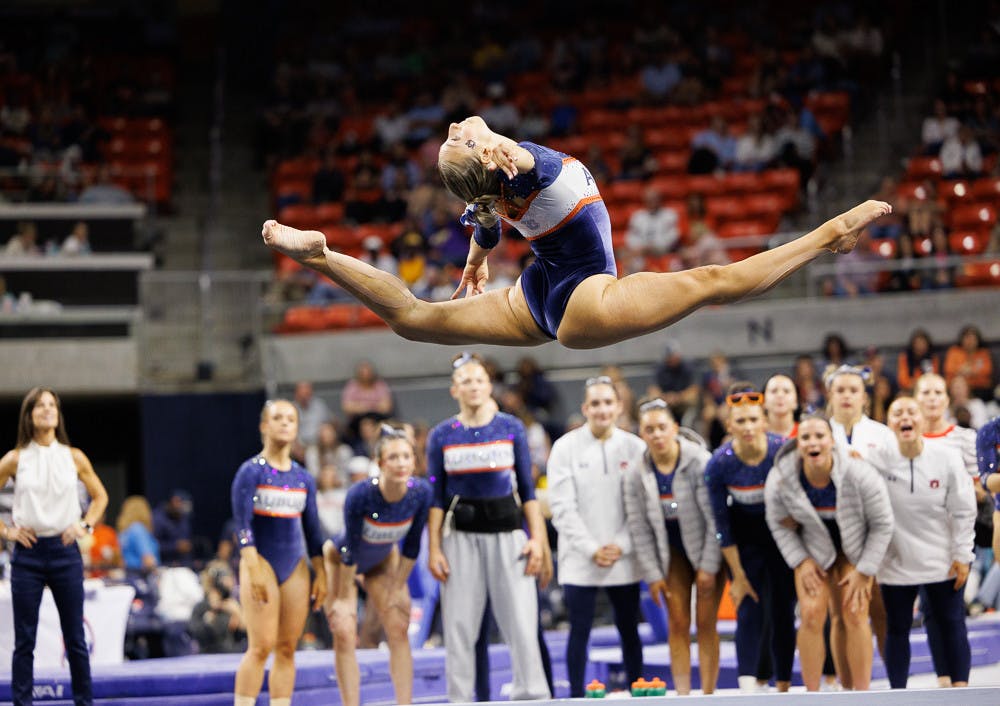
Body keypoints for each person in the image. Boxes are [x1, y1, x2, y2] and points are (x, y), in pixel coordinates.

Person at [262, 115, 891, 350]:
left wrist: (479, 259)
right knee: (713, 281)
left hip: (534, 293)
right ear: (490, 160)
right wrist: (496, 153)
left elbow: (484, 192)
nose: (462, 128)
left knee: (411, 318)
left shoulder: (497, 182)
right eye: (464, 139)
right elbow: (493, 145)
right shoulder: (523, 164)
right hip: (584, 296)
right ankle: (829, 232)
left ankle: (322, 256)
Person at [426, 352, 550, 702]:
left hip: (509, 537)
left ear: (489, 384)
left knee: (522, 625)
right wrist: (434, 548)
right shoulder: (441, 435)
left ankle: (533, 694)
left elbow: (528, 491)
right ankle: (461, 698)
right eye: (466, 381)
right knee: (459, 627)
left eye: (479, 380)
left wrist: (537, 540)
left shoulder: (511, 428)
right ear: (455, 390)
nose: (474, 386)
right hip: (460, 540)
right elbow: (435, 498)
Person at [765, 414, 894, 691]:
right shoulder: (781, 479)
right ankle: (812, 695)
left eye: (820, 436)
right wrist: (801, 560)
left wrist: (865, 570)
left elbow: (883, 524)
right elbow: (778, 525)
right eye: (806, 437)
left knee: (855, 611)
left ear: (832, 441)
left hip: (854, 551)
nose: (814, 443)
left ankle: (861, 693)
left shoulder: (859, 472)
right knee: (811, 613)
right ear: (797, 444)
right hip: (813, 550)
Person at [0, 387, 109, 706]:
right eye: (40, 406)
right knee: (25, 641)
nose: (47, 410)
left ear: (58, 414)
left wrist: (84, 525)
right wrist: (7, 532)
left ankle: (83, 702)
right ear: (29, 415)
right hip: (28, 555)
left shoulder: (73, 456)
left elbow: (101, 496)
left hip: (65, 552)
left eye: (52, 405)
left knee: (75, 638)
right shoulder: (16, 458)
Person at [546, 376, 645, 697]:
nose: (602, 410)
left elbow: (642, 508)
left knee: (630, 629)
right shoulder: (564, 448)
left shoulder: (636, 448)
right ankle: (575, 697)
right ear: (585, 408)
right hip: (580, 558)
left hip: (624, 556)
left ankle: (638, 693)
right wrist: (591, 549)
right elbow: (562, 507)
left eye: (608, 403)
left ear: (618, 407)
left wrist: (622, 545)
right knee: (579, 631)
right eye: (596, 404)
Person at [867, 397, 976, 689]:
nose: (906, 417)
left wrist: (963, 555)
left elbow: (965, 508)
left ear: (921, 420)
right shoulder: (875, 458)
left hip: (943, 558)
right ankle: (897, 694)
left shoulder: (946, 457)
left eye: (911, 412)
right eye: (897, 413)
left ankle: (961, 691)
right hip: (895, 562)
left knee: (952, 624)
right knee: (896, 629)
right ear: (889, 424)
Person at [324, 425, 432, 706]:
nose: (401, 463)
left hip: (382, 559)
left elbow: (411, 547)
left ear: (415, 461)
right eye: (393, 457)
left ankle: (404, 703)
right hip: (341, 560)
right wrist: (344, 598)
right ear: (380, 463)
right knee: (345, 631)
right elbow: (348, 547)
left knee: (398, 626)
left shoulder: (420, 493)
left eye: (406, 457)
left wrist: (397, 587)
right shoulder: (361, 495)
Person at [624, 398, 724, 695]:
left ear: (675, 429)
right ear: (641, 434)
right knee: (678, 622)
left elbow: (716, 519)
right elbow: (639, 528)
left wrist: (708, 566)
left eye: (662, 427)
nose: (656, 435)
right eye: (649, 429)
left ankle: (708, 695)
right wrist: (653, 574)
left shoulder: (700, 462)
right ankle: (682, 695)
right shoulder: (635, 474)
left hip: (706, 543)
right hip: (672, 551)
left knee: (706, 622)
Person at [231, 399, 327, 706]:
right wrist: (251, 565)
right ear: (264, 426)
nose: (285, 423)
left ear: (297, 427)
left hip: (295, 565)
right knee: (260, 647)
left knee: (287, 647)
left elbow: (313, 532)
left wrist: (321, 572)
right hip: (260, 562)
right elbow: (242, 524)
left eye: (291, 418)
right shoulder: (250, 472)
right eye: (278, 418)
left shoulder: (303, 478)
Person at [704, 384, 796, 693]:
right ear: (729, 425)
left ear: (765, 422)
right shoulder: (719, 463)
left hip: (780, 533)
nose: (747, 427)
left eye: (753, 420)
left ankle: (782, 682)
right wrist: (738, 576)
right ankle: (747, 686)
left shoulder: (783, 451)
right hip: (743, 537)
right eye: (740, 421)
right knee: (748, 606)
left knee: (782, 607)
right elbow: (722, 525)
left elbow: (800, 501)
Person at [944, 325, 994, 401]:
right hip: (957, 389)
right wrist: (961, 371)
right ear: (962, 339)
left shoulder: (983, 353)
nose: (970, 342)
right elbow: (949, 369)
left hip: (979, 389)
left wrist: (972, 371)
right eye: (967, 338)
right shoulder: (954, 351)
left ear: (978, 340)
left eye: (973, 339)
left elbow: (987, 370)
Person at [117, 496, 160, 572]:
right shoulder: (138, 529)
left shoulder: (124, 532)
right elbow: (148, 559)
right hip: (141, 577)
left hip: (129, 575)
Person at [153, 489, 194, 566]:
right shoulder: (158, 518)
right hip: (164, 565)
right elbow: (152, 545)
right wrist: (175, 546)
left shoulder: (183, 517)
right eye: (179, 502)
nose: (182, 507)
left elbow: (186, 542)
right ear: (174, 501)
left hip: (183, 564)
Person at [764, 374, 799, 439]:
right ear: (764, 401)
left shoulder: (804, 433)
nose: (780, 395)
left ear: (796, 401)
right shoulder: (756, 434)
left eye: (786, 391)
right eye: (774, 391)